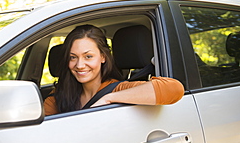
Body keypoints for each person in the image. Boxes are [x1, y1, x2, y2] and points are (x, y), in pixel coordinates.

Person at [44, 24, 184, 116]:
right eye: (73, 57)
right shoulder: (60, 95)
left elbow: (174, 89)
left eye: (88, 56)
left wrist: (109, 98)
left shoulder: (118, 89)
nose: (80, 65)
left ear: (103, 57)